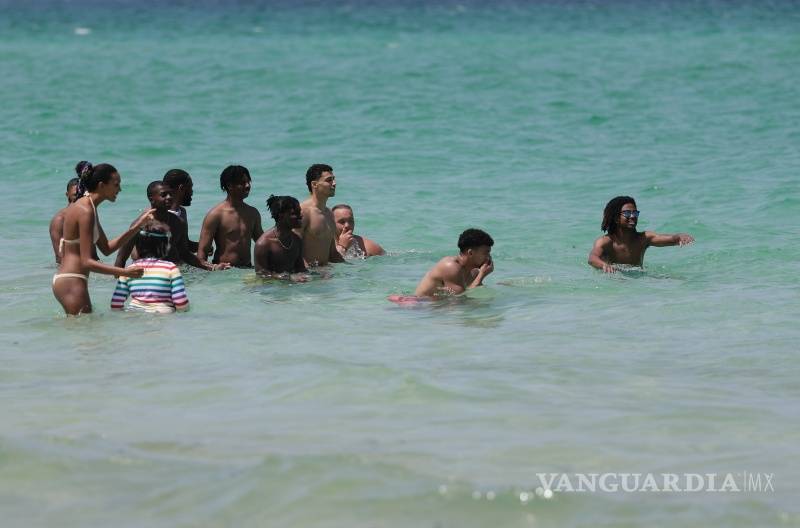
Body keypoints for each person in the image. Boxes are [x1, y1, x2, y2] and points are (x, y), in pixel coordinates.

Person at [52, 162, 154, 315]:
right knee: (85, 329)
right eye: (116, 184)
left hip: (72, 280)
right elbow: (87, 262)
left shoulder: (89, 207)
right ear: (101, 185)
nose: (120, 189)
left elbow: (107, 248)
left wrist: (138, 226)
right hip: (71, 280)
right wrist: (125, 272)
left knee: (83, 328)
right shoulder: (85, 210)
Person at [114, 181, 223, 271]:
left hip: (170, 275)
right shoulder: (140, 224)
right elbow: (121, 258)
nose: (169, 197)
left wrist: (212, 267)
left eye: (171, 194)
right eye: (164, 195)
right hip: (147, 278)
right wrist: (119, 283)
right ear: (151, 199)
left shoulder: (177, 222)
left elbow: (185, 253)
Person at [588, 196, 695, 273]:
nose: (633, 216)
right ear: (616, 218)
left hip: (639, 281)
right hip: (614, 281)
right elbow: (592, 258)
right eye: (627, 213)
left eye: (635, 213)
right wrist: (604, 265)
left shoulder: (643, 238)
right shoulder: (605, 242)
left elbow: (669, 239)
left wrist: (679, 236)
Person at [111, 225, 189, 313]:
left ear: (137, 247)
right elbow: (181, 303)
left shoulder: (129, 270)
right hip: (162, 315)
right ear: (165, 247)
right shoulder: (170, 268)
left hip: (133, 315)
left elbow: (115, 304)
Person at [197, 165, 263, 267]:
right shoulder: (216, 215)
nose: (247, 186)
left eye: (248, 182)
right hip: (224, 271)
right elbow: (202, 253)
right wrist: (212, 269)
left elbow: (263, 243)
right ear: (229, 185)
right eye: (242, 183)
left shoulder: (253, 213)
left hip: (247, 268)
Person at [414, 228, 494, 298]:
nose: (488, 257)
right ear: (470, 253)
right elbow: (460, 300)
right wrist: (481, 276)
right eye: (486, 253)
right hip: (418, 305)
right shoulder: (451, 267)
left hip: (433, 306)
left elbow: (466, 294)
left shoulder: (473, 272)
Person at [297, 164, 345, 266]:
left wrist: (353, 269)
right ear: (314, 184)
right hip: (307, 273)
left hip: (324, 273)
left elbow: (332, 253)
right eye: (329, 180)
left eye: (334, 179)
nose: (334, 183)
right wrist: (305, 272)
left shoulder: (329, 214)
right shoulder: (303, 212)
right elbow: (292, 249)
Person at [254, 195, 307, 276]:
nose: (300, 216)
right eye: (294, 213)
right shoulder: (263, 244)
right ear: (281, 215)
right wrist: (289, 278)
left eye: (299, 212)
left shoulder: (297, 240)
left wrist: (317, 276)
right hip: (271, 284)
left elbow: (300, 269)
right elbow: (261, 274)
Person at [162, 168, 198, 252]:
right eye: (190, 187)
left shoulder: (182, 212)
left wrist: (202, 246)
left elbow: (184, 245)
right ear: (181, 188)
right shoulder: (161, 215)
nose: (192, 192)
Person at [49, 174, 80, 264]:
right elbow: (60, 258)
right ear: (67, 195)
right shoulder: (59, 221)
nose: (79, 198)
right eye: (75, 195)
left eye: (81, 195)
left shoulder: (89, 215)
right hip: (69, 269)